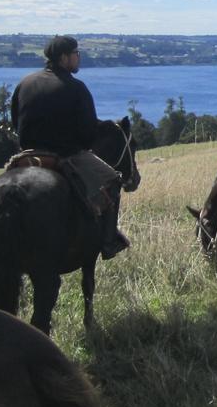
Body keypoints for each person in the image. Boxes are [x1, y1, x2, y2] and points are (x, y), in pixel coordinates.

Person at [10, 35, 129, 259]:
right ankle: (109, 240)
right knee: (113, 179)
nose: (79, 58)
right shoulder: (76, 88)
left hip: (27, 155)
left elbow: (16, 121)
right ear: (64, 58)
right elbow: (87, 135)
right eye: (76, 54)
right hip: (65, 155)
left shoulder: (24, 83)